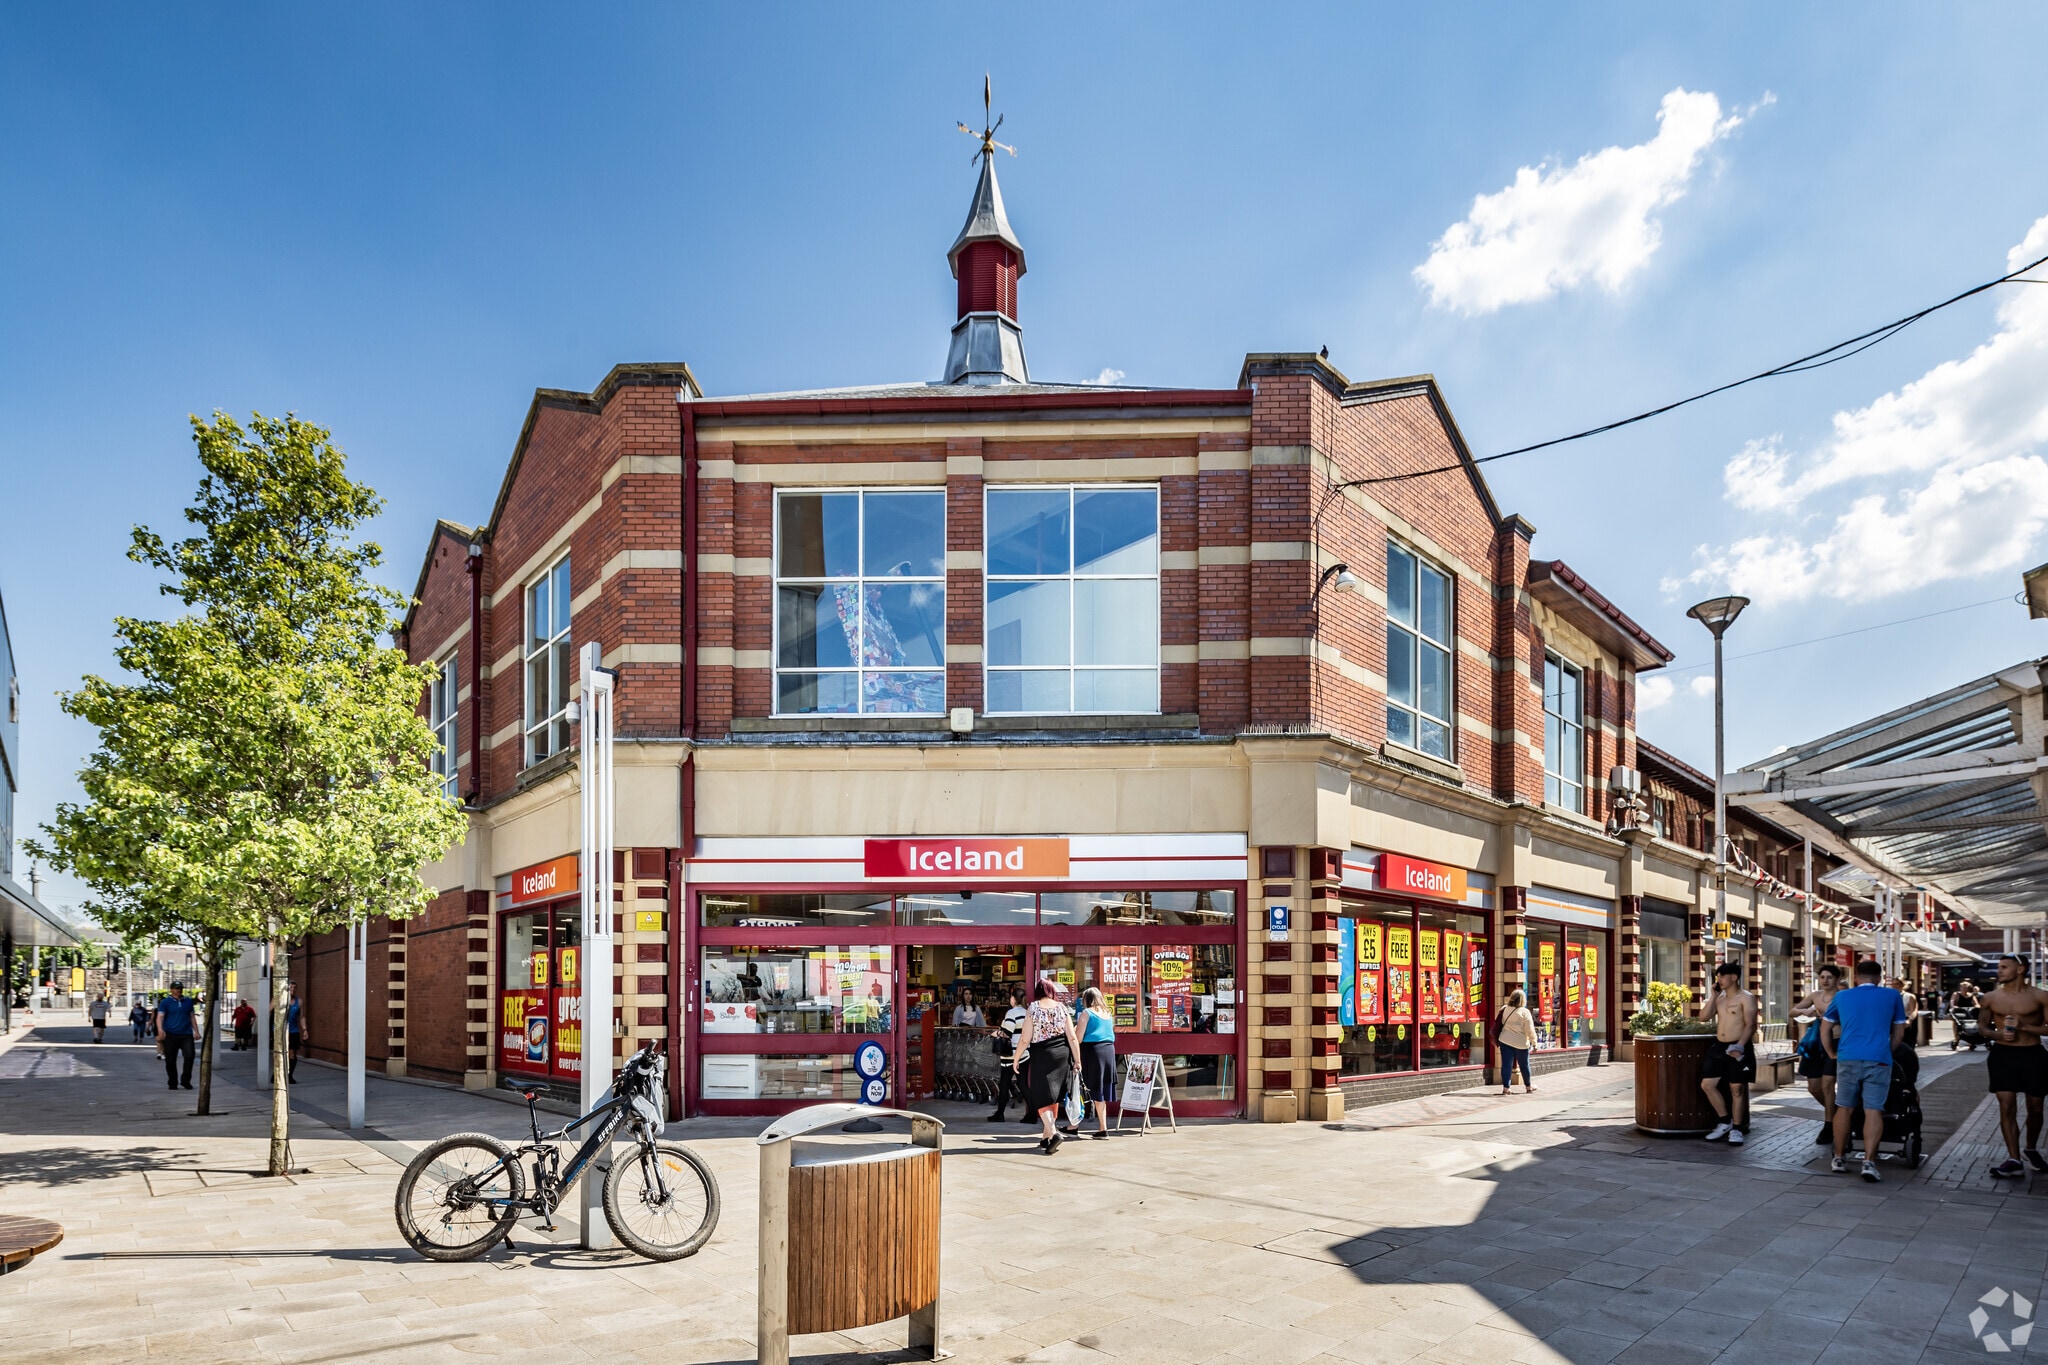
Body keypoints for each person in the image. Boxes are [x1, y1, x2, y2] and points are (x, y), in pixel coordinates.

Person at [1823, 958, 1909, 1182]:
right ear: (1879, 978)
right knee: (1874, 1110)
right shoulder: (1892, 996)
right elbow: (1900, 1033)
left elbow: (1825, 1028)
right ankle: (1869, 1162)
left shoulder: (1842, 996)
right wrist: (1886, 1051)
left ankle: (1839, 1158)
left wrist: (1832, 1054)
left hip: (1848, 1057)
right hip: (1878, 1059)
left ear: (1856, 978)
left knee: (1844, 1108)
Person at [1978, 954, 2048, 1178]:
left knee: (2036, 1107)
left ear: (2020, 969)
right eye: (1998, 967)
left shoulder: (2041, 996)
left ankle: (2030, 1148)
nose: (1999, 971)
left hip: (2033, 1054)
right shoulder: (1990, 997)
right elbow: (1982, 1027)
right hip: (2002, 1054)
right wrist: (1995, 1034)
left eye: (2004, 967)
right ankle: (2014, 1158)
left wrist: (2024, 1026)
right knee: (2006, 1105)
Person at [1012, 980, 1081, 1154]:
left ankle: (1053, 1132)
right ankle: (1046, 1138)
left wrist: (1016, 1058)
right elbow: (1072, 1038)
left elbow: (1025, 1038)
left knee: (1041, 1095)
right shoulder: (1062, 1007)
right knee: (1053, 1095)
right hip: (1062, 1055)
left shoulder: (1033, 1008)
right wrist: (1077, 1060)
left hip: (1042, 1055)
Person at [1699, 961, 1759, 1144]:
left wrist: (1739, 1046)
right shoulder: (1720, 998)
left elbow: (1751, 1024)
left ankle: (1737, 1129)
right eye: (1718, 977)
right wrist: (1713, 996)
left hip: (1739, 1046)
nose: (1719, 980)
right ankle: (1724, 1121)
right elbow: (1703, 1017)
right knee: (1707, 1085)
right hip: (1719, 1046)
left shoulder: (1746, 998)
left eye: (1722, 976)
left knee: (1737, 1088)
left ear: (1734, 977)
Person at [1791, 964, 1843, 1144]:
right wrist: (1805, 1010)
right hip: (1816, 1044)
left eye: (1829, 977)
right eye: (1822, 977)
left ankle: (1829, 1126)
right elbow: (1792, 1011)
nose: (1825, 980)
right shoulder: (1815, 996)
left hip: (1837, 1044)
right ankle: (1839, 1115)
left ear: (1837, 979)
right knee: (1814, 1087)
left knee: (1828, 1084)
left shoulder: (1843, 996)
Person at [1077, 986, 1116, 1138]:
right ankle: (1102, 1127)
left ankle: (1103, 1128)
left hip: (1093, 1052)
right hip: (1109, 1051)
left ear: (1087, 999)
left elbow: (1078, 1038)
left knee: (1096, 1090)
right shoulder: (1107, 1013)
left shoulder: (1087, 1013)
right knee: (1102, 1089)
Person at [988, 986, 1030, 1123]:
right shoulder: (1027, 1012)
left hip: (1010, 1055)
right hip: (1024, 1053)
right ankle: (1033, 1113)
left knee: (1004, 1085)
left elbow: (1007, 1032)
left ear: (1013, 999)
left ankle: (1000, 1113)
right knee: (1023, 1085)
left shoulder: (1012, 1013)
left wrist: (995, 1034)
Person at [155, 982, 197, 1091]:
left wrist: (196, 1031)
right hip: (171, 1034)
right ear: (171, 990)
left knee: (190, 1056)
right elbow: (160, 1017)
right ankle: (173, 1082)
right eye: (176, 988)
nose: (179, 990)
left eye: (180, 988)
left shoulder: (188, 1001)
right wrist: (160, 1030)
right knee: (170, 1060)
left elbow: (192, 1017)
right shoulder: (165, 1002)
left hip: (186, 1034)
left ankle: (185, 1080)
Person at [1495, 989, 1536, 1095]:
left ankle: (1506, 1088)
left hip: (1505, 1040)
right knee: (1524, 1065)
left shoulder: (1504, 1009)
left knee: (1506, 1065)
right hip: (1520, 1043)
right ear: (1523, 1000)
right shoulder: (1524, 1012)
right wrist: (1534, 1042)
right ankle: (1528, 1086)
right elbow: (1529, 1029)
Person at [285, 989, 304, 1082]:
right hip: (281, 1032)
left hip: (293, 1032)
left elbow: (302, 1017)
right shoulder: (280, 1000)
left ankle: (289, 1075)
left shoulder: (299, 1001)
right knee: (280, 1055)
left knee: (292, 1054)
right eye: (290, 987)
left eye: (294, 987)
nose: (292, 989)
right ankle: (276, 1073)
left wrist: (305, 1030)